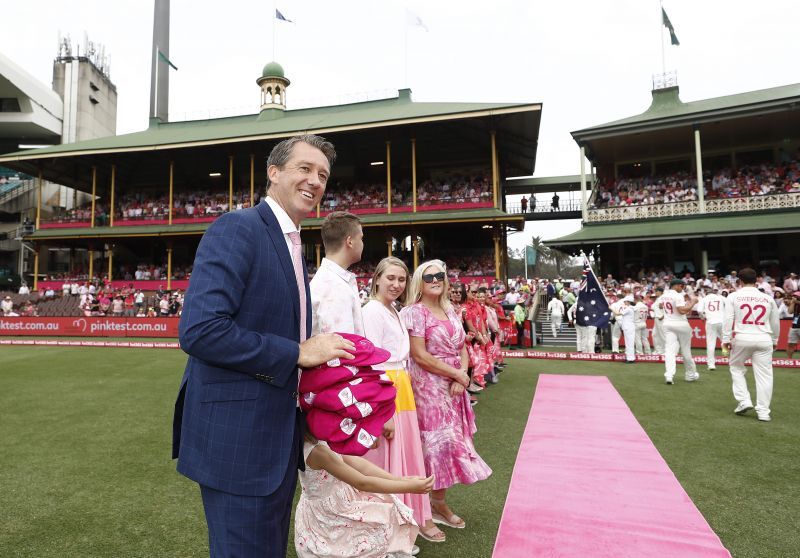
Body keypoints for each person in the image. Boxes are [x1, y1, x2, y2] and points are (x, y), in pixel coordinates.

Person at [173, 134, 356, 558]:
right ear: (273, 173)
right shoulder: (238, 228)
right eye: (305, 168)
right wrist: (296, 353)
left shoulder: (294, 245)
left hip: (275, 443)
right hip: (238, 446)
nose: (315, 180)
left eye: (323, 175)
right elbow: (199, 330)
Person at [400, 260, 492, 533]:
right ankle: (423, 511)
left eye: (440, 275)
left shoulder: (451, 310)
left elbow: (462, 346)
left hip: (453, 386)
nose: (436, 280)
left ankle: (439, 502)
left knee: (451, 446)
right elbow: (419, 355)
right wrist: (457, 376)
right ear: (420, 282)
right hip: (428, 389)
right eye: (429, 277)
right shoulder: (414, 312)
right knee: (432, 448)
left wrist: (462, 375)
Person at [362, 256, 444, 545]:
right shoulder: (372, 311)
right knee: (390, 461)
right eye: (391, 278)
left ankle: (409, 521)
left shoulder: (393, 310)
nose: (396, 284)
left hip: (401, 388)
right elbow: (371, 363)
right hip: (387, 390)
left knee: (405, 458)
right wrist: (381, 413)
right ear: (377, 279)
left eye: (401, 279)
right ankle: (390, 530)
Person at [294, 434, 433, 558]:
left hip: (341, 501)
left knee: (379, 516)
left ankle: (389, 549)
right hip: (328, 514)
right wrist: (410, 487)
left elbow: (359, 465)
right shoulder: (317, 451)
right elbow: (362, 482)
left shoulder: (323, 440)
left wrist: (401, 480)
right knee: (365, 530)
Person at [722, 268, 780, 422]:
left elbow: (728, 319)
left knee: (736, 367)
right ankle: (763, 412)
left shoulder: (733, 296)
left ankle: (744, 400)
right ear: (757, 280)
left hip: (742, 337)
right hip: (764, 338)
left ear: (739, 281)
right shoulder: (767, 298)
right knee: (765, 376)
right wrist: (775, 340)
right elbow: (775, 322)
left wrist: (725, 339)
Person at [310, 211, 365, 337]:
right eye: (361, 238)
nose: (362, 243)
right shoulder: (334, 286)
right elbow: (341, 348)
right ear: (350, 242)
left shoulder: (330, 280)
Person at [661, 279, 699, 384]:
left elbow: (661, 305)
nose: (682, 288)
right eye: (681, 286)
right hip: (681, 324)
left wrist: (685, 299)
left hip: (668, 324)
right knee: (686, 351)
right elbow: (682, 311)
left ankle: (669, 375)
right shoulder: (677, 296)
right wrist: (692, 302)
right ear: (676, 286)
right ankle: (690, 375)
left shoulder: (664, 295)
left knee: (669, 351)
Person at [698, 288, 726, 370]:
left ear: (706, 293)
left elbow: (699, 310)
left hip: (710, 322)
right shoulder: (721, 297)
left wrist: (703, 317)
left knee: (711, 343)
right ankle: (726, 355)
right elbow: (729, 304)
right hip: (722, 321)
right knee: (725, 340)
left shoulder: (704, 299)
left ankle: (711, 365)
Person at [616, 295, 636, 363]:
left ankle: (630, 358)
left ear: (628, 302)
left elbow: (618, 313)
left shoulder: (629, 308)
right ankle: (630, 357)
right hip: (629, 326)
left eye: (625, 301)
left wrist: (611, 308)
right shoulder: (632, 308)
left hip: (628, 327)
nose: (624, 302)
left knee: (629, 343)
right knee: (629, 343)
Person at [651, 286, 666, 355]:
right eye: (655, 291)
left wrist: (663, 316)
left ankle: (665, 350)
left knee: (662, 335)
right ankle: (658, 350)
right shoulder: (658, 299)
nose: (655, 292)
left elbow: (666, 309)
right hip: (656, 318)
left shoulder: (663, 298)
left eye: (657, 291)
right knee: (654, 334)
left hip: (661, 318)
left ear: (661, 292)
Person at [787, 291, 800, 359]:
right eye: (794, 296)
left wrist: (797, 302)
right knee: (790, 344)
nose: (794, 297)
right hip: (794, 327)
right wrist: (792, 303)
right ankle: (789, 360)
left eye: (796, 296)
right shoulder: (795, 304)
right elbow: (790, 311)